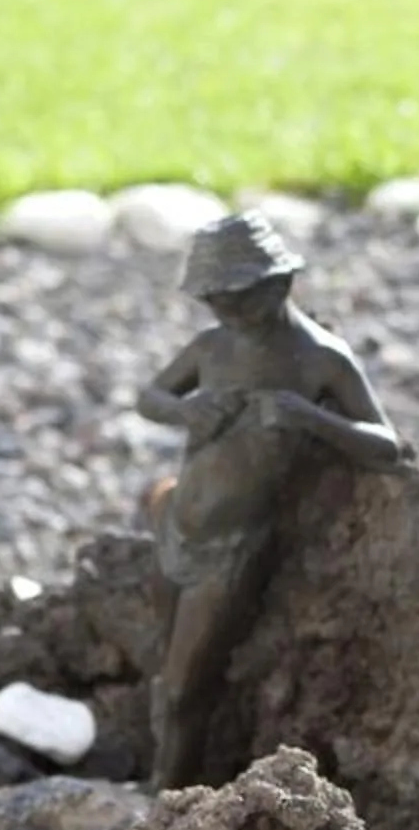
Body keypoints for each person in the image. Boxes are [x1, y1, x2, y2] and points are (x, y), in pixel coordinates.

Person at [136, 211, 400, 789]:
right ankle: (159, 776)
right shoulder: (212, 347)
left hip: (234, 548)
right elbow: (149, 395)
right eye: (215, 304)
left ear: (279, 285)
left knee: (186, 687)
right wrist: (186, 410)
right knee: (164, 672)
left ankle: (167, 798)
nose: (226, 315)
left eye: (238, 302)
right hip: (180, 525)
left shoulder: (321, 358)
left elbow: (387, 447)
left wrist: (309, 416)